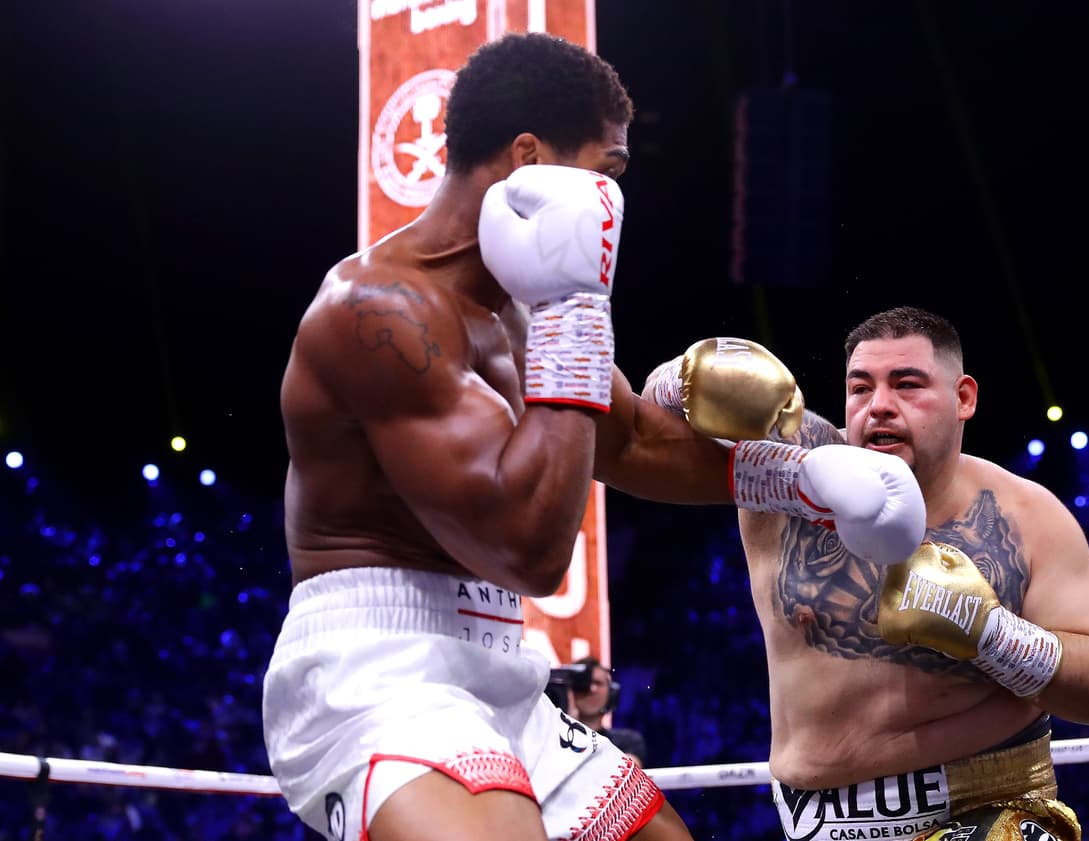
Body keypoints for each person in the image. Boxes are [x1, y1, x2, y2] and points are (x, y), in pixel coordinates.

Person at [262, 32, 926, 841]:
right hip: (376, 666)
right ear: (528, 159)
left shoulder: (518, 310)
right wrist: (574, 312)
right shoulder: (378, 311)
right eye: (606, 169)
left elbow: (634, 440)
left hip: (500, 664)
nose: (615, 196)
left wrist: (804, 480)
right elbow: (529, 551)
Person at [643, 307, 1089, 841]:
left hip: (986, 808)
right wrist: (685, 375)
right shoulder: (789, 466)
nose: (879, 405)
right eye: (861, 388)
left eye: (907, 385)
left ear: (963, 398)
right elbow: (645, 425)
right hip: (815, 825)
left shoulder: (1024, 515)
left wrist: (992, 635)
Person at [568, 656, 649, 768]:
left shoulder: (628, 741)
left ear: (611, 692)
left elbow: (623, 774)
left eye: (598, 683)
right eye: (584, 684)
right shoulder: (553, 741)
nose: (592, 689)